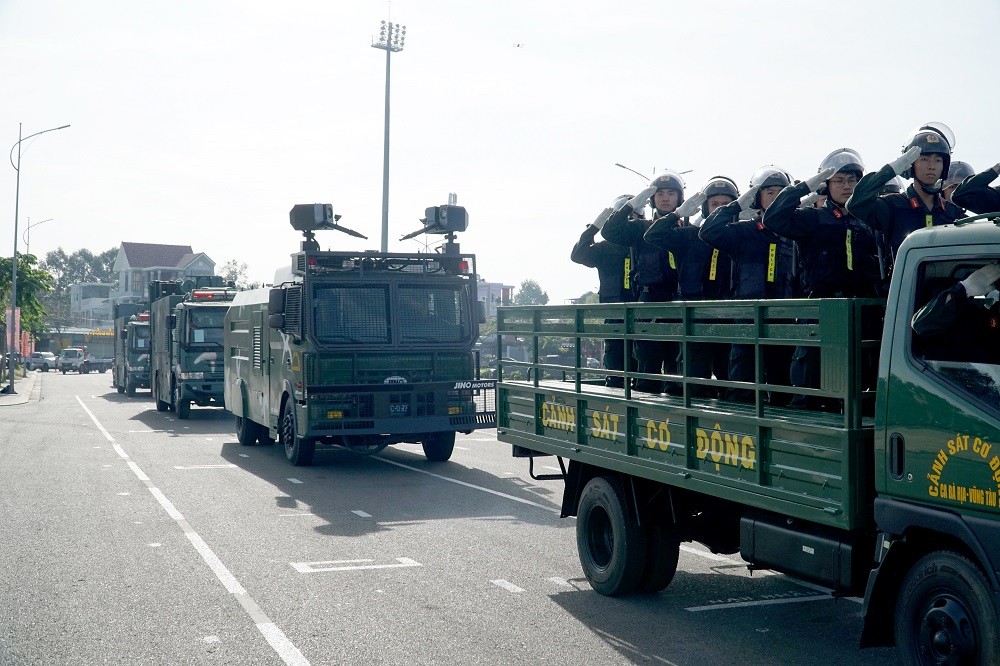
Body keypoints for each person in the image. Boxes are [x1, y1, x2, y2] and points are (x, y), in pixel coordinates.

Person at [763, 150, 880, 409]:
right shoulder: (813, 219)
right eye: (838, 180)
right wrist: (805, 186)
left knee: (860, 387)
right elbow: (773, 218)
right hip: (821, 311)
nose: (846, 186)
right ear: (826, 186)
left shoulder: (866, 222)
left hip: (861, 314)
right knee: (810, 386)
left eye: (852, 180)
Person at [699, 166, 797, 403]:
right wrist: (735, 206)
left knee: (782, 386)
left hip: (784, 317)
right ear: (757, 198)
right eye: (769, 192)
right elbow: (709, 231)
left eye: (781, 192)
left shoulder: (794, 231)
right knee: (742, 388)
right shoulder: (745, 231)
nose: (776, 197)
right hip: (748, 318)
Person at [644, 176, 737, 396]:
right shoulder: (688, 236)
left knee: (730, 380)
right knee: (695, 382)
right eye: (715, 205)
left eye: (726, 206)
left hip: (728, 315)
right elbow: (653, 235)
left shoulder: (739, 236)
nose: (719, 210)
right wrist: (677, 214)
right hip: (694, 318)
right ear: (705, 207)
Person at [602, 170, 685, 393]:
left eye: (671, 193)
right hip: (649, 303)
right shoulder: (640, 228)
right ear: (652, 199)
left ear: (680, 198)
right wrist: (629, 207)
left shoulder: (688, 230)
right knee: (648, 366)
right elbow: (610, 231)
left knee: (677, 370)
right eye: (659, 194)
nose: (665, 198)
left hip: (679, 303)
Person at [846, 126, 964, 275]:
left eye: (938, 160)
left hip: (945, 293)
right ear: (911, 165)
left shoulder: (953, 213)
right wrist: (890, 170)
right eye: (924, 159)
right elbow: (856, 203)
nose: (931, 166)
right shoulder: (892, 206)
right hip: (905, 293)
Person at [571, 196, 636, 387]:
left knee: (643, 365)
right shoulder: (604, 249)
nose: (628, 221)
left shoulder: (644, 243)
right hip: (613, 313)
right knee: (615, 365)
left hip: (642, 312)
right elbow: (578, 255)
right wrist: (593, 229)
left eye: (633, 217)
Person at [911, 263, 1000, 365]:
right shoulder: (967, 314)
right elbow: (921, 325)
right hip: (949, 377)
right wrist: (964, 289)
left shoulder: (989, 313)